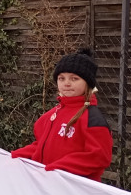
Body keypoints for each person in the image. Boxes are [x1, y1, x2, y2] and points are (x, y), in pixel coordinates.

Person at [12, 48, 114, 181]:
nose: (66, 83)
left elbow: (99, 157)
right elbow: (40, 145)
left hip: (73, 189)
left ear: (87, 83)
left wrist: (57, 168)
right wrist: (17, 156)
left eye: (74, 78)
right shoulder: (50, 115)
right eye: (61, 78)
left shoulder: (92, 118)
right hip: (46, 182)